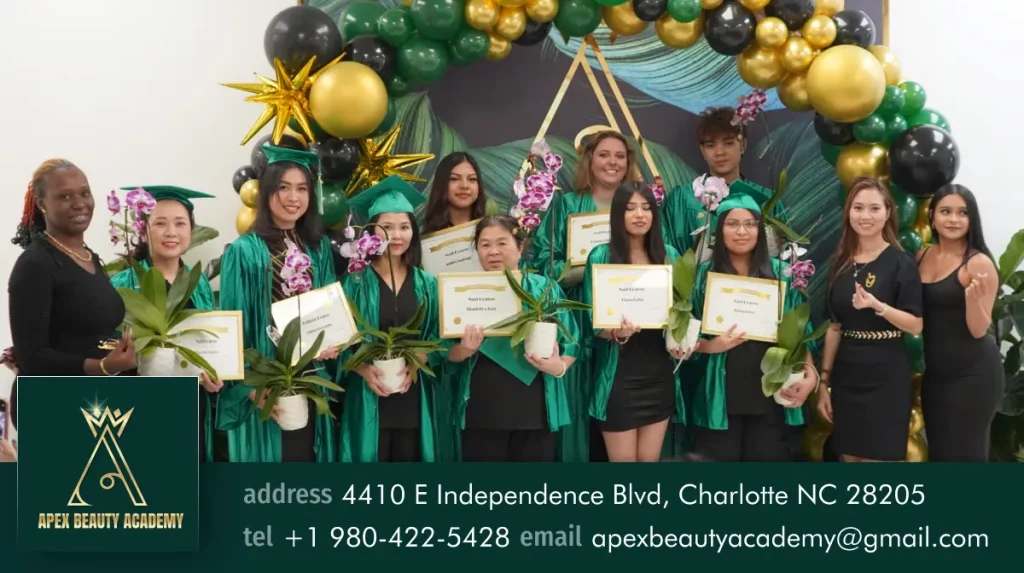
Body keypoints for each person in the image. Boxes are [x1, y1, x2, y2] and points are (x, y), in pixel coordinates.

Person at [218, 145, 339, 463]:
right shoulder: (244, 251)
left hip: (310, 378)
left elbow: (326, 308)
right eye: (283, 188)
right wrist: (252, 387)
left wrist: (331, 341)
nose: (293, 197)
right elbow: (234, 327)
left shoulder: (318, 248)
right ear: (267, 191)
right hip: (265, 385)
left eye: (301, 188)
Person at [531, 130, 641, 462]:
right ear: (590, 160)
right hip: (576, 319)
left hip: (624, 321)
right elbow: (541, 263)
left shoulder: (638, 207)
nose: (613, 162)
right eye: (604, 154)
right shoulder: (566, 205)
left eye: (620, 156)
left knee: (620, 409)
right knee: (583, 413)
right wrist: (583, 269)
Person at [687, 184, 818, 461]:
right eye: (732, 224)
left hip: (771, 395)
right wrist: (711, 347)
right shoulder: (701, 278)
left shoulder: (783, 275)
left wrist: (810, 375)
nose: (742, 231)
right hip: (719, 395)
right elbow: (682, 335)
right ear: (719, 230)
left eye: (750, 224)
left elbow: (801, 332)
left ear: (761, 231)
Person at [7, 159, 137, 432]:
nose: (79, 203)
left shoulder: (91, 258)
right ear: (42, 204)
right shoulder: (35, 264)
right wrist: (102, 365)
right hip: (53, 405)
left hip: (95, 402)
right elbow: (32, 357)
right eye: (64, 196)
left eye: (84, 193)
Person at [447, 215, 579, 461]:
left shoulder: (544, 287)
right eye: (485, 245)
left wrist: (559, 366)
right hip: (482, 407)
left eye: (502, 243)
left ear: (520, 247)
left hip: (535, 406)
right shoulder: (463, 291)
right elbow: (446, 352)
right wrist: (465, 350)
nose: (493, 252)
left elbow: (571, 341)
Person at [110, 186, 225, 462]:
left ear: (191, 230)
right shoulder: (123, 284)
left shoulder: (199, 286)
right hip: (140, 410)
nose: (171, 232)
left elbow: (207, 347)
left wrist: (214, 376)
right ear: (143, 230)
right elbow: (110, 356)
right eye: (160, 223)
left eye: (180, 223)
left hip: (190, 407)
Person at [817, 177, 923, 462]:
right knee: (849, 459)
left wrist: (879, 306)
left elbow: (915, 324)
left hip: (886, 375)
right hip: (847, 374)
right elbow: (834, 326)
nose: (866, 216)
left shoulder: (902, 262)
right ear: (848, 212)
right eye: (858, 207)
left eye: (874, 208)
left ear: (888, 212)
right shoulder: (840, 262)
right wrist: (824, 382)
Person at [339, 175, 443, 462]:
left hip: (413, 394)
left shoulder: (427, 284)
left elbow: (437, 336)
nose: (396, 236)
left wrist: (418, 359)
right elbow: (341, 339)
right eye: (387, 227)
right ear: (371, 231)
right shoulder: (356, 283)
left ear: (414, 232)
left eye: (404, 227)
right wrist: (361, 369)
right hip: (369, 392)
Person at [582, 182, 688, 462]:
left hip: (659, 373)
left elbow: (682, 313)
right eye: (630, 208)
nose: (639, 214)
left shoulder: (670, 256)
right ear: (618, 214)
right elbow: (591, 322)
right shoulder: (601, 256)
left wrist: (683, 340)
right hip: (619, 376)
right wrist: (616, 332)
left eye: (646, 208)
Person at [916, 184, 1002, 462]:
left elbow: (978, 330)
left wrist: (974, 300)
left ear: (971, 219)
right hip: (936, 376)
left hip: (973, 376)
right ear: (932, 216)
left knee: (967, 458)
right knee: (940, 455)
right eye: (945, 211)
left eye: (962, 213)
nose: (953, 219)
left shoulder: (978, 264)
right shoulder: (921, 256)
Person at [662, 106, 790, 261]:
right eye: (710, 145)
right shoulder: (681, 199)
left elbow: (784, 263)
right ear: (702, 151)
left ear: (742, 146)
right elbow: (667, 255)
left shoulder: (766, 201)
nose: (719, 152)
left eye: (728, 143)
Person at [421, 152, 488, 235]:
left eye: (472, 179)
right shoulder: (426, 241)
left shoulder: (491, 231)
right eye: (454, 179)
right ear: (441, 184)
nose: (464, 186)